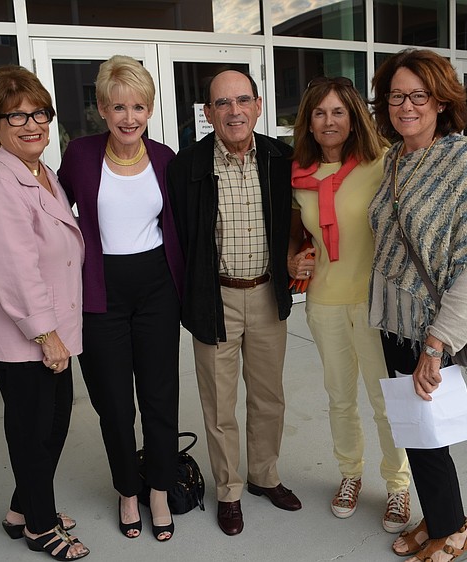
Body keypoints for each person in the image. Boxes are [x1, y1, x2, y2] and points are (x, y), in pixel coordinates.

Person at [369, 48, 467, 562]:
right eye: (397, 96)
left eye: (418, 96)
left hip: (431, 328)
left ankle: (456, 530)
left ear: (441, 101)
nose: (406, 106)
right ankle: (439, 515)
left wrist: (437, 343)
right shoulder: (394, 158)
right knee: (416, 431)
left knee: (430, 434)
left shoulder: (462, 159)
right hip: (394, 322)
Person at [166, 69, 301, 537]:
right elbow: (178, 239)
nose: (234, 111)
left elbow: (300, 220)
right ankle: (229, 490)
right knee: (219, 405)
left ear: (259, 106)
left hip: (266, 293)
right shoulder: (187, 166)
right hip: (213, 298)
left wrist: (299, 255)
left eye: (243, 100)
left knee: (269, 397)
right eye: (222, 104)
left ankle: (265, 476)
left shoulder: (280, 158)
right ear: (207, 114)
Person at [58, 55, 184, 543]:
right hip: (101, 289)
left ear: (149, 109)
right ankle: (127, 490)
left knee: (159, 396)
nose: (129, 117)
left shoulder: (166, 157)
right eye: (118, 107)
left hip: (156, 286)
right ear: (101, 109)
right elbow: (54, 216)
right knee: (113, 402)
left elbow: (176, 225)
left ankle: (159, 489)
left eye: (138, 106)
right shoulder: (81, 156)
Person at [0, 65, 89, 561]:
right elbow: (12, 267)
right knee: (36, 432)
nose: (31, 123)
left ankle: (22, 510)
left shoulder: (41, 172)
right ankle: (40, 525)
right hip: (23, 338)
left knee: (52, 424)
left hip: (45, 332)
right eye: (14, 116)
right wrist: (46, 336)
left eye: (38, 112)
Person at [286, 76, 411, 529]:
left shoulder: (380, 164)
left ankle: (398, 487)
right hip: (323, 302)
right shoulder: (298, 175)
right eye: (319, 113)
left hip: (375, 303)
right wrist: (293, 260)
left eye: (338, 111)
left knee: (385, 401)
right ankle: (349, 475)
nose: (329, 121)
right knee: (340, 398)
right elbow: (296, 238)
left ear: (353, 115)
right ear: (309, 122)